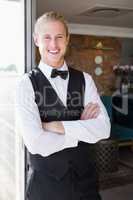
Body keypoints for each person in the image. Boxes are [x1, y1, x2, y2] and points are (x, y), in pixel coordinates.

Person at [15, 11, 110, 200]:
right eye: (47, 37)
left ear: (67, 39)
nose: (53, 44)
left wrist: (55, 126)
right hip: (45, 188)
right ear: (36, 40)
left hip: (87, 186)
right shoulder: (25, 84)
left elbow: (104, 129)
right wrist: (81, 131)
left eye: (59, 37)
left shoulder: (85, 79)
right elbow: (36, 143)